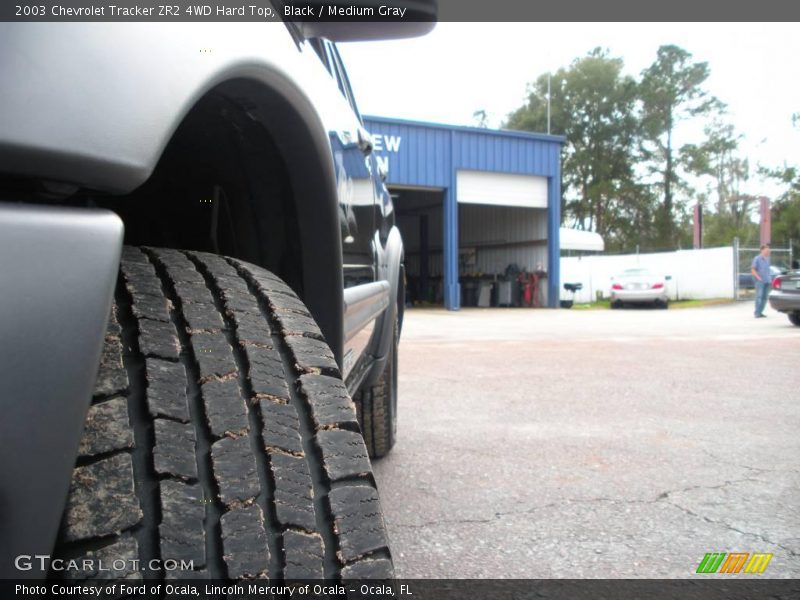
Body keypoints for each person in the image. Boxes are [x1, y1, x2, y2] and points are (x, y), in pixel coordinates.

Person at [751, 244, 771, 318]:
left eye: (768, 250)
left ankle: (760, 312)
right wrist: (758, 277)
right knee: (759, 297)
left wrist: (769, 279)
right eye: (766, 250)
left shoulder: (767, 259)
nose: (768, 252)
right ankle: (757, 312)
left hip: (767, 281)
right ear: (762, 250)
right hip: (760, 281)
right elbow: (753, 269)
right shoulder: (757, 258)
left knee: (765, 297)